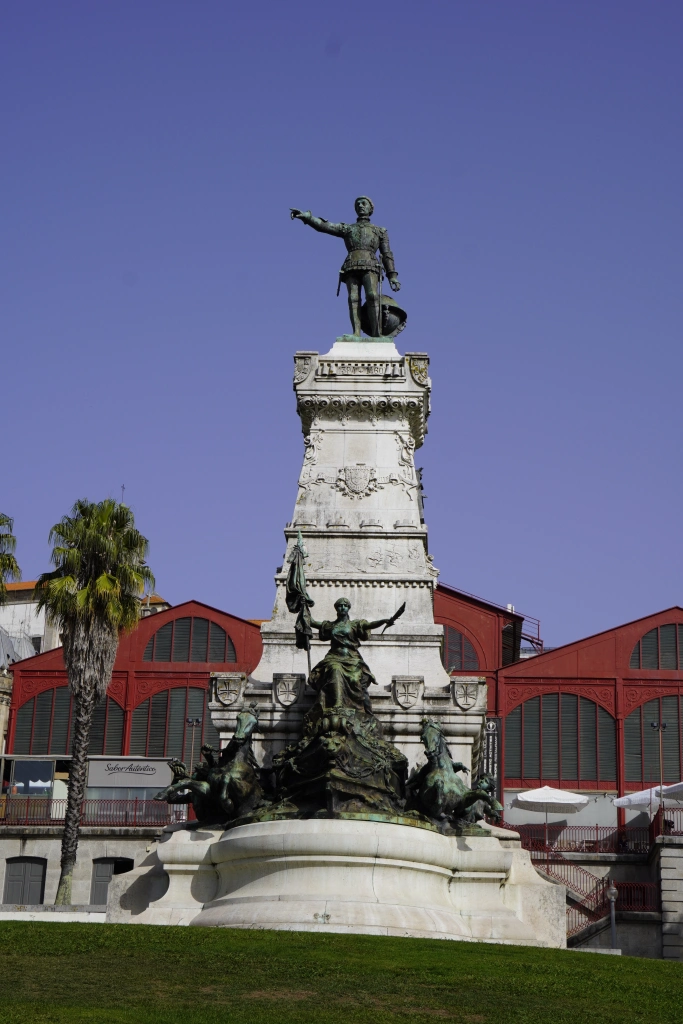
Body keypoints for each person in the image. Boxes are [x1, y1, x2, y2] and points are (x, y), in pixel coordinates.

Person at [290, 196, 401, 337]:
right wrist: (307, 217)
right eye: (358, 204)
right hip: (351, 265)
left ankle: (376, 333)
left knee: (372, 296)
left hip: (371, 265)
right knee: (353, 298)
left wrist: (392, 276)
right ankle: (356, 333)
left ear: (370, 208)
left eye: (364, 203)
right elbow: (325, 226)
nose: (361, 206)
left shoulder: (380, 231)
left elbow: (387, 254)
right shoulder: (348, 228)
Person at [308, 596, 405, 712]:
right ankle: (337, 704)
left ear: (348, 608)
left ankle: (358, 707)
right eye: (339, 606)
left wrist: (384, 621)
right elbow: (312, 622)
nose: (342, 608)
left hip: (352, 658)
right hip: (334, 657)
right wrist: (303, 606)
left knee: (354, 680)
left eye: (345, 605)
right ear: (336, 609)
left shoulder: (355, 624)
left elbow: (370, 625)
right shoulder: (331, 625)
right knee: (335, 670)